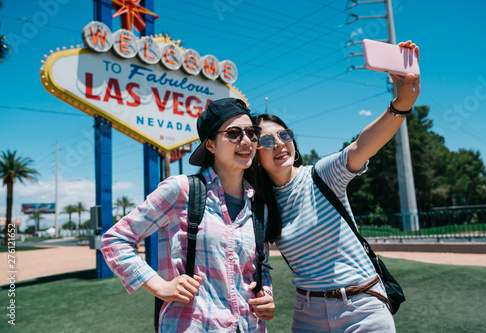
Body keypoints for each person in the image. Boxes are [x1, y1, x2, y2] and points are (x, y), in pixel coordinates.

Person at [250, 41, 420, 332]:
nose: (279, 143)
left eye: (284, 134)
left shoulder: (322, 174)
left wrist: (402, 103)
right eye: (267, 141)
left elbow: (363, 145)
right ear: (255, 155)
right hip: (307, 314)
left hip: (363, 306)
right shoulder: (260, 204)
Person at [100, 98, 275, 332]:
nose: (246, 140)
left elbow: (259, 269)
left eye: (251, 133)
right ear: (210, 144)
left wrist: (266, 295)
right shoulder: (182, 190)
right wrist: (160, 287)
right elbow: (115, 240)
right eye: (233, 133)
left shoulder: (258, 206)